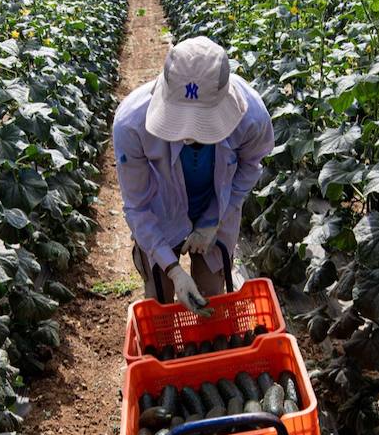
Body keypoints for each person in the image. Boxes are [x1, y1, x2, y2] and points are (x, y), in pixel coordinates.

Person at [112, 36, 274, 314]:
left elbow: (250, 167)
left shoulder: (251, 117)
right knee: (158, 298)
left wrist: (214, 219)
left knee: (211, 297)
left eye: (201, 125)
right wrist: (174, 270)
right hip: (161, 208)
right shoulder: (132, 124)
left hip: (218, 202)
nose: (189, 134)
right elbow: (137, 205)